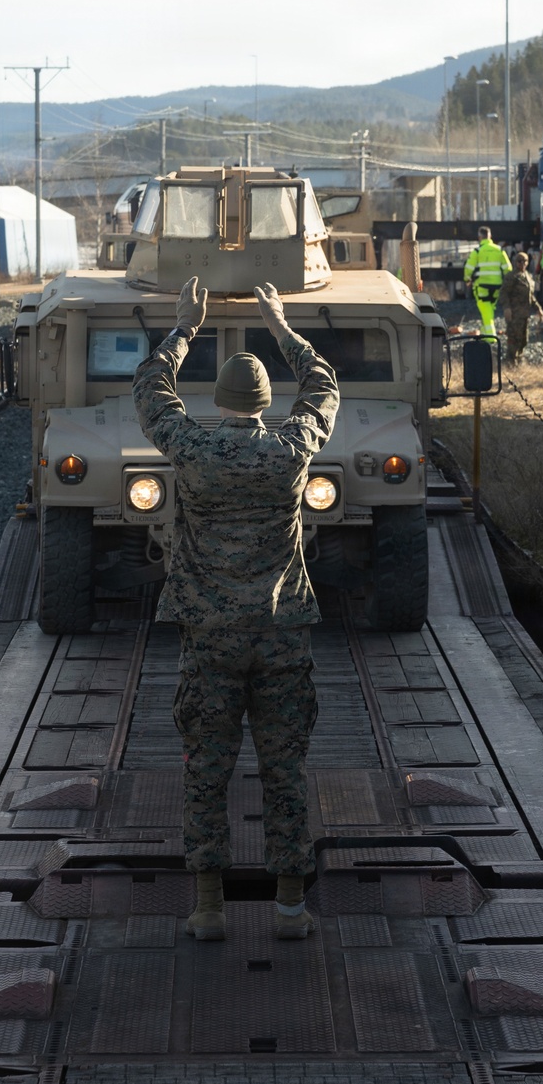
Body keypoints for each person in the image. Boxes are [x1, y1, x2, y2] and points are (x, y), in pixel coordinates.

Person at [133, 276, 340, 942]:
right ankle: (288, 906)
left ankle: (208, 907)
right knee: (284, 772)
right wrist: (280, 327)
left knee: (206, 772)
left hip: (210, 641)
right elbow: (324, 386)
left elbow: (150, 390)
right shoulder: (291, 450)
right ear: (266, 402)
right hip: (280, 640)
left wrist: (184, 326)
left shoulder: (191, 449)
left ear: (218, 401)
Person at [464, 225, 512, 337]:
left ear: (480, 237)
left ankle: (491, 337)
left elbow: (469, 268)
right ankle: (485, 333)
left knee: (486, 310)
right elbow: (508, 268)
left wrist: (467, 279)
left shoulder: (477, 251)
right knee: (489, 309)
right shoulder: (499, 250)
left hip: (482, 286)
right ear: (490, 236)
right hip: (497, 286)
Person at [498, 252, 543, 365]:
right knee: (513, 339)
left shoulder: (528, 276)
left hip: (524, 314)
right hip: (514, 313)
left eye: (525, 261)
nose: (522, 263)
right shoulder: (511, 276)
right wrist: (506, 308)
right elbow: (503, 293)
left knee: (524, 340)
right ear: (515, 262)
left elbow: (531, 296)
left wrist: (538, 308)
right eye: (519, 261)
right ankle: (510, 362)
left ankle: (518, 360)